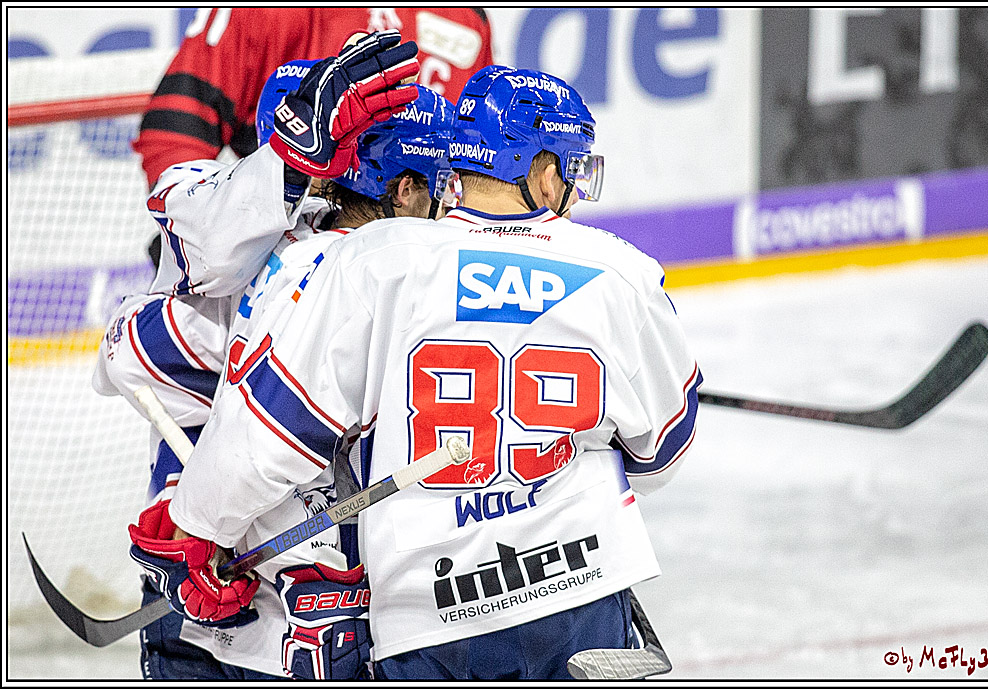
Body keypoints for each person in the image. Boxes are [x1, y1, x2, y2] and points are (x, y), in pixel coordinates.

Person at [164, 65, 704, 680]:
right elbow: (664, 451)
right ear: (544, 172)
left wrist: (201, 525)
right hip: (580, 597)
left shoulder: (373, 261)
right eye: (575, 170)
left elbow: (273, 434)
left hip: (429, 618)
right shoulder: (622, 272)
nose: (577, 190)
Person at [93, 32, 448, 679]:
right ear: (400, 185)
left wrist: (180, 504)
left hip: (221, 602)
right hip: (331, 623)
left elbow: (127, 355)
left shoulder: (246, 262)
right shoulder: (363, 270)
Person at [135, 7, 492, 189]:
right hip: (292, 258)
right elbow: (174, 136)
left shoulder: (466, 18)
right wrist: (207, 234)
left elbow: (482, 155)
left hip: (424, 259)